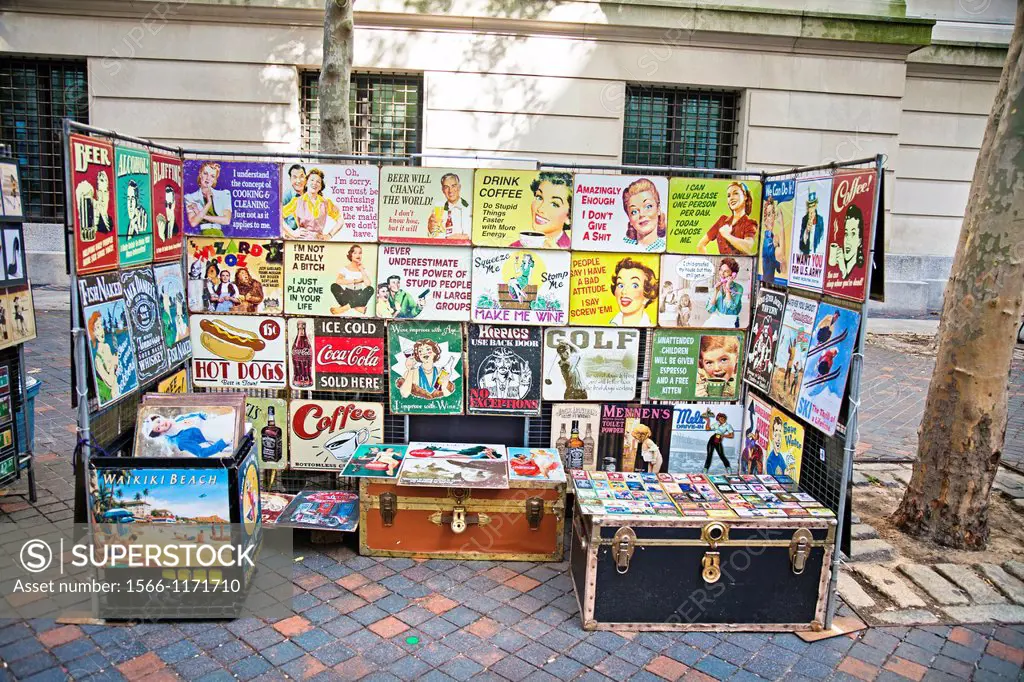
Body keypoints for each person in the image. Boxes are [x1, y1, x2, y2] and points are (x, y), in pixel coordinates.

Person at [511, 172, 573, 248]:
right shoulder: (514, 248)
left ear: (569, 216)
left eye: (554, 204)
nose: (540, 209)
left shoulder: (571, 249)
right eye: (539, 197)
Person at [696, 182, 758, 255]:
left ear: (745, 196)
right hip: (722, 266)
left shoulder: (750, 223)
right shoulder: (722, 220)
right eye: (728, 196)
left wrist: (727, 235)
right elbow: (700, 246)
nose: (731, 198)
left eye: (735, 193)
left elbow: (749, 247)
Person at [143, 412, 232, 458]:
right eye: (158, 428)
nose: (162, 424)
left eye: (159, 421)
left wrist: (206, 416)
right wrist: (222, 443)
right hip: (220, 436)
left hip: (220, 422)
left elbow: (198, 414)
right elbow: (201, 453)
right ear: (160, 433)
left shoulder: (179, 418)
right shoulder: (181, 441)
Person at [185, 161, 233, 235]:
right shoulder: (190, 197)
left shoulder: (224, 194)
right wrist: (208, 203)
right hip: (201, 236)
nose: (208, 178)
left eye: (212, 176)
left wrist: (200, 215)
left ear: (215, 179)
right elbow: (193, 223)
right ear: (200, 174)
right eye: (205, 173)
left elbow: (226, 220)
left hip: (219, 234)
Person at [609, 257, 658, 326]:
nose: (624, 291)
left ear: (647, 296)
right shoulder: (610, 324)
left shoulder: (652, 328)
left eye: (634, 286)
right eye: (620, 285)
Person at [621, 178, 666, 251]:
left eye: (648, 206)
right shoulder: (623, 245)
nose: (641, 214)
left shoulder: (663, 247)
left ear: (658, 209)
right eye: (634, 211)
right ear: (629, 218)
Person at [329, 245, 374, 315]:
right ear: (351, 255)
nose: (358, 255)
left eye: (360, 253)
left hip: (359, 295)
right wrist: (356, 281)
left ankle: (343, 308)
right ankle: (358, 308)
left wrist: (361, 269)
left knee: (370, 289)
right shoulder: (345, 269)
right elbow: (338, 281)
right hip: (347, 294)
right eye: (355, 253)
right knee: (334, 286)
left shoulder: (364, 270)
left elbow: (368, 284)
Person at [89, 311, 120, 404]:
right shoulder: (98, 360)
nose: (101, 330)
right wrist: (113, 365)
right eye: (97, 327)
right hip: (109, 398)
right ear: (93, 332)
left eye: (101, 325)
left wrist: (116, 363)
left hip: (117, 391)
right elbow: (110, 382)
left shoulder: (107, 346)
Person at [704, 257, 744, 328]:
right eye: (721, 270)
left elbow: (730, 306)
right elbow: (710, 310)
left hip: (732, 321)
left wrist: (727, 287)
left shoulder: (738, 288)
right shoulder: (716, 287)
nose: (722, 273)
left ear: (733, 274)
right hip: (718, 320)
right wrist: (716, 292)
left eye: (726, 271)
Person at [428, 173, 470, 239]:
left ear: (459, 187)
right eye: (446, 187)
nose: (450, 191)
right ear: (443, 190)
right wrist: (430, 229)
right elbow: (434, 236)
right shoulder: (438, 208)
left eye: (453, 186)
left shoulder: (471, 207)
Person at [696, 334, 739, 398]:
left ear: (737, 358)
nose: (717, 368)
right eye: (709, 363)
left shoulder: (742, 385)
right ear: (701, 364)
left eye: (723, 360)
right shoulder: (698, 382)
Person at [828, 204, 864, 278]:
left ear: (859, 241)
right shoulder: (840, 265)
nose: (847, 240)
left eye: (853, 234)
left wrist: (843, 271)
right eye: (846, 233)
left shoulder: (859, 270)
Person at [75, 170, 114, 235]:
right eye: (100, 192)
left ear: (108, 195)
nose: (103, 199)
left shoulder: (111, 221)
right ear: (96, 193)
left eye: (105, 192)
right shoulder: (93, 217)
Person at [760, 196, 786, 283]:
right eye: (768, 214)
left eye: (773, 213)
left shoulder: (771, 237)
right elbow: (781, 254)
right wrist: (782, 224)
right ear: (765, 219)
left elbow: (782, 269)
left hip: (770, 282)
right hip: (767, 282)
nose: (771, 217)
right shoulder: (767, 241)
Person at [281, 164, 307, 235]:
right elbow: (276, 217)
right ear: (290, 179)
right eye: (295, 177)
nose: (298, 181)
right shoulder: (287, 195)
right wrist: (293, 233)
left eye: (301, 177)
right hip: (292, 236)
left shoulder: (310, 193)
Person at [798, 190, 824, 255]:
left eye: (813, 206)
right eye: (810, 206)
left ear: (815, 206)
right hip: (806, 255)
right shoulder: (804, 219)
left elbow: (821, 238)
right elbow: (801, 244)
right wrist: (806, 231)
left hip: (816, 255)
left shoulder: (820, 220)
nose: (811, 209)